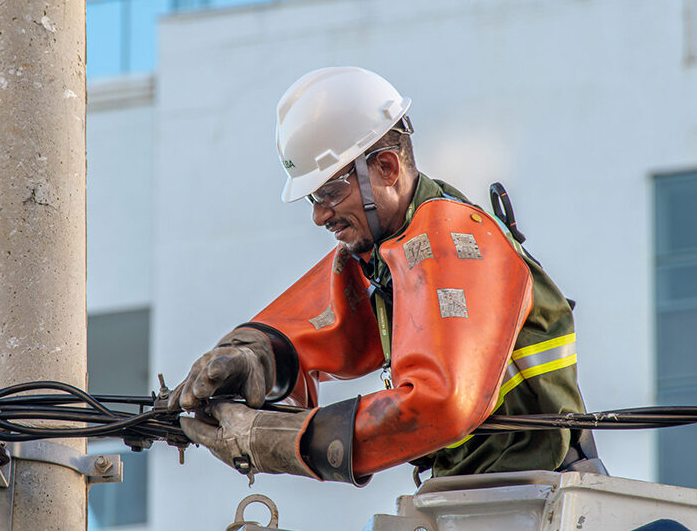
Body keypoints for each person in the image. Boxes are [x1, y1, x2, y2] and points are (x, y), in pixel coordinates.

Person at [172, 66, 602, 486]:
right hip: (479, 489)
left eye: (328, 192)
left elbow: (441, 404)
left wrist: (288, 441)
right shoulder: (392, 251)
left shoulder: (451, 243)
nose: (320, 215)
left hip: (537, 487)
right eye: (312, 199)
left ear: (387, 168)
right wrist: (252, 355)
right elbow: (317, 322)